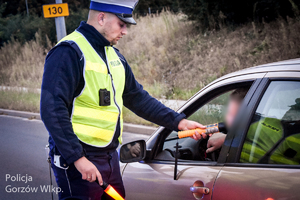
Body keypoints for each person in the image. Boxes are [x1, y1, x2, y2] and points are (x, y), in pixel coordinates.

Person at [40, 1, 204, 199]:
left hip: (109, 158)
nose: (125, 31)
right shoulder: (68, 52)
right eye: (121, 24)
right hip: (79, 162)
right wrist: (78, 158)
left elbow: (138, 98)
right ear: (101, 18)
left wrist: (178, 122)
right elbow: (52, 110)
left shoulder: (114, 56)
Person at [191, 88, 249, 153]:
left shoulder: (252, 138)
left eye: (232, 115)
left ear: (246, 116)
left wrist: (226, 139)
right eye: (228, 113)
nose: (227, 118)